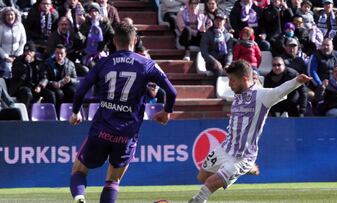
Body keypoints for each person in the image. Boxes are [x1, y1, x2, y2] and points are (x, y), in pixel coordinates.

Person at [68, 22, 177, 203]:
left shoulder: (104, 62)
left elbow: (81, 90)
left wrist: (76, 112)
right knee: (113, 180)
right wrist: (166, 112)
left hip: (102, 128)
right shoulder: (147, 64)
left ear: (113, 41)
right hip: (126, 133)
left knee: (79, 171)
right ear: (135, 40)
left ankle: (79, 197)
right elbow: (171, 92)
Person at [188, 59, 311, 203]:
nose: (229, 84)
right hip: (225, 148)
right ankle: (245, 170)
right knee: (202, 177)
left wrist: (297, 81)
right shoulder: (239, 92)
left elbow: (279, 91)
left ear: (245, 79)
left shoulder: (261, 96)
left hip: (242, 156)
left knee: (209, 185)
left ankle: (198, 199)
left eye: (232, 80)